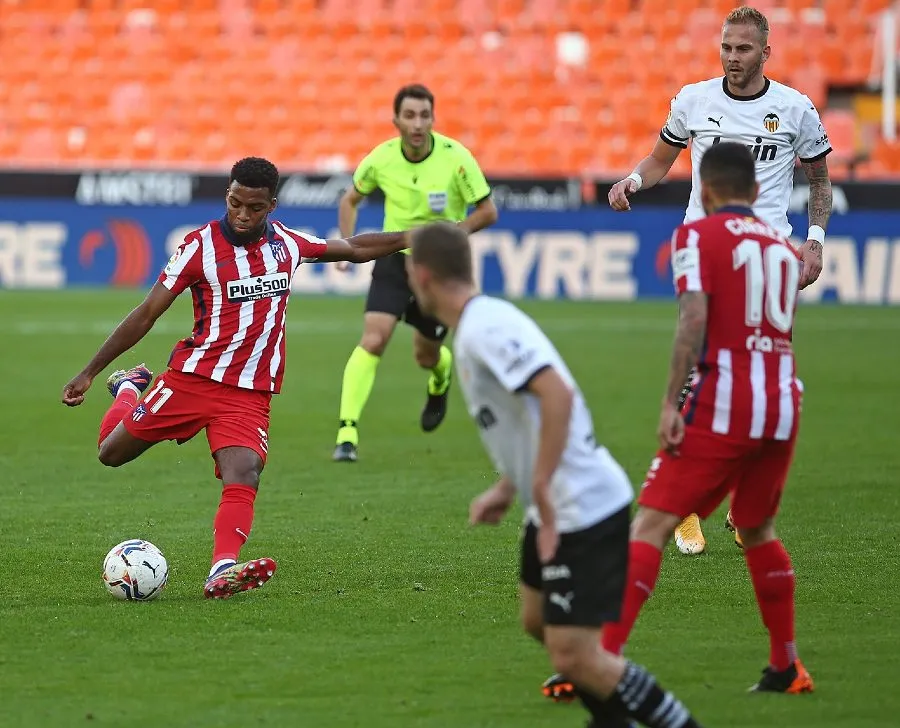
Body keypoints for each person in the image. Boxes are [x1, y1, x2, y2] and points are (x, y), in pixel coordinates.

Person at [61, 157, 412, 600]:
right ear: (227, 195)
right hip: (192, 380)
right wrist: (90, 371)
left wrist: (413, 237)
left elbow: (355, 248)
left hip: (249, 392)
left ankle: (221, 569)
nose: (243, 215)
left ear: (272, 206)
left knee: (244, 471)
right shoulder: (198, 247)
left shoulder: (287, 243)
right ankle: (129, 387)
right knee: (110, 454)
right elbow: (147, 313)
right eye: (235, 203)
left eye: (255, 207)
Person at [406, 221, 705, 728]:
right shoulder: (479, 324)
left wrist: (539, 487)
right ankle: (615, 718)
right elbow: (530, 415)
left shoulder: (485, 327)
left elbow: (556, 395)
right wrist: (509, 485)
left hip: (580, 503)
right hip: (551, 502)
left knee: (574, 656)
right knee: (538, 622)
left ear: (423, 275)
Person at [607, 5, 833, 557]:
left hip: (773, 257)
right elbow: (660, 160)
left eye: (744, 49)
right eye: (727, 47)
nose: (733, 57)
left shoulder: (795, 109)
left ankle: (741, 506)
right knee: (700, 368)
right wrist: (634, 179)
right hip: (706, 252)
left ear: (765, 52)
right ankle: (686, 505)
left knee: (764, 381)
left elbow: (820, 180)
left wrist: (816, 240)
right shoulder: (693, 101)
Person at [599, 142, 814, 696]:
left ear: (706, 189)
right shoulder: (783, 249)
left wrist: (672, 401)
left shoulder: (695, 236)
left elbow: (693, 320)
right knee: (760, 528)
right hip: (783, 399)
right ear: (758, 190)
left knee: (649, 524)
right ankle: (786, 665)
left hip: (727, 399)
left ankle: (597, 663)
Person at [331, 83, 498, 463]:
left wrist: (457, 232)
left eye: (425, 115)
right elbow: (349, 198)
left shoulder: (457, 158)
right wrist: (345, 246)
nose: (418, 123)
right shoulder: (381, 159)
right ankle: (347, 432)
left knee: (426, 355)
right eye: (410, 115)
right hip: (393, 260)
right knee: (374, 339)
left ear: (433, 119)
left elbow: (487, 211)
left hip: (437, 267)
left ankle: (440, 377)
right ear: (396, 120)